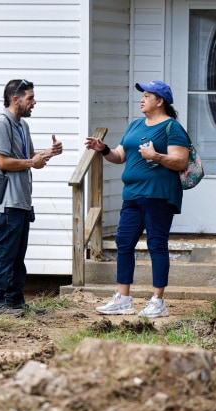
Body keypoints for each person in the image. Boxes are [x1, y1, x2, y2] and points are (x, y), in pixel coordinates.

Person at [84, 80, 190, 318]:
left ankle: (157, 301)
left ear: (160, 101)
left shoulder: (171, 128)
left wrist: (156, 156)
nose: (141, 99)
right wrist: (103, 149)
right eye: (141, 95)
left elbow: (180, 161)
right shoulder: (135, 125)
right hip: (132, 195)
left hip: (159, 196)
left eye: (146, 96)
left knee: (156, 245)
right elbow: (120, 155)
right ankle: (123, 298)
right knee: (124, 242)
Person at [0, 79, 63, 317]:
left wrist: (48, 153)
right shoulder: (1, 122)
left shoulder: (22, 126)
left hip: (21, 201)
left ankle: (15, 303)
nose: (34, 102)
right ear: (15, 99)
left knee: (17, 256)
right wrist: (31, 162)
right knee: (4, 254)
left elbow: (28, 157)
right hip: (7, 202)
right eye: (30, 98)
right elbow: (1, 162)